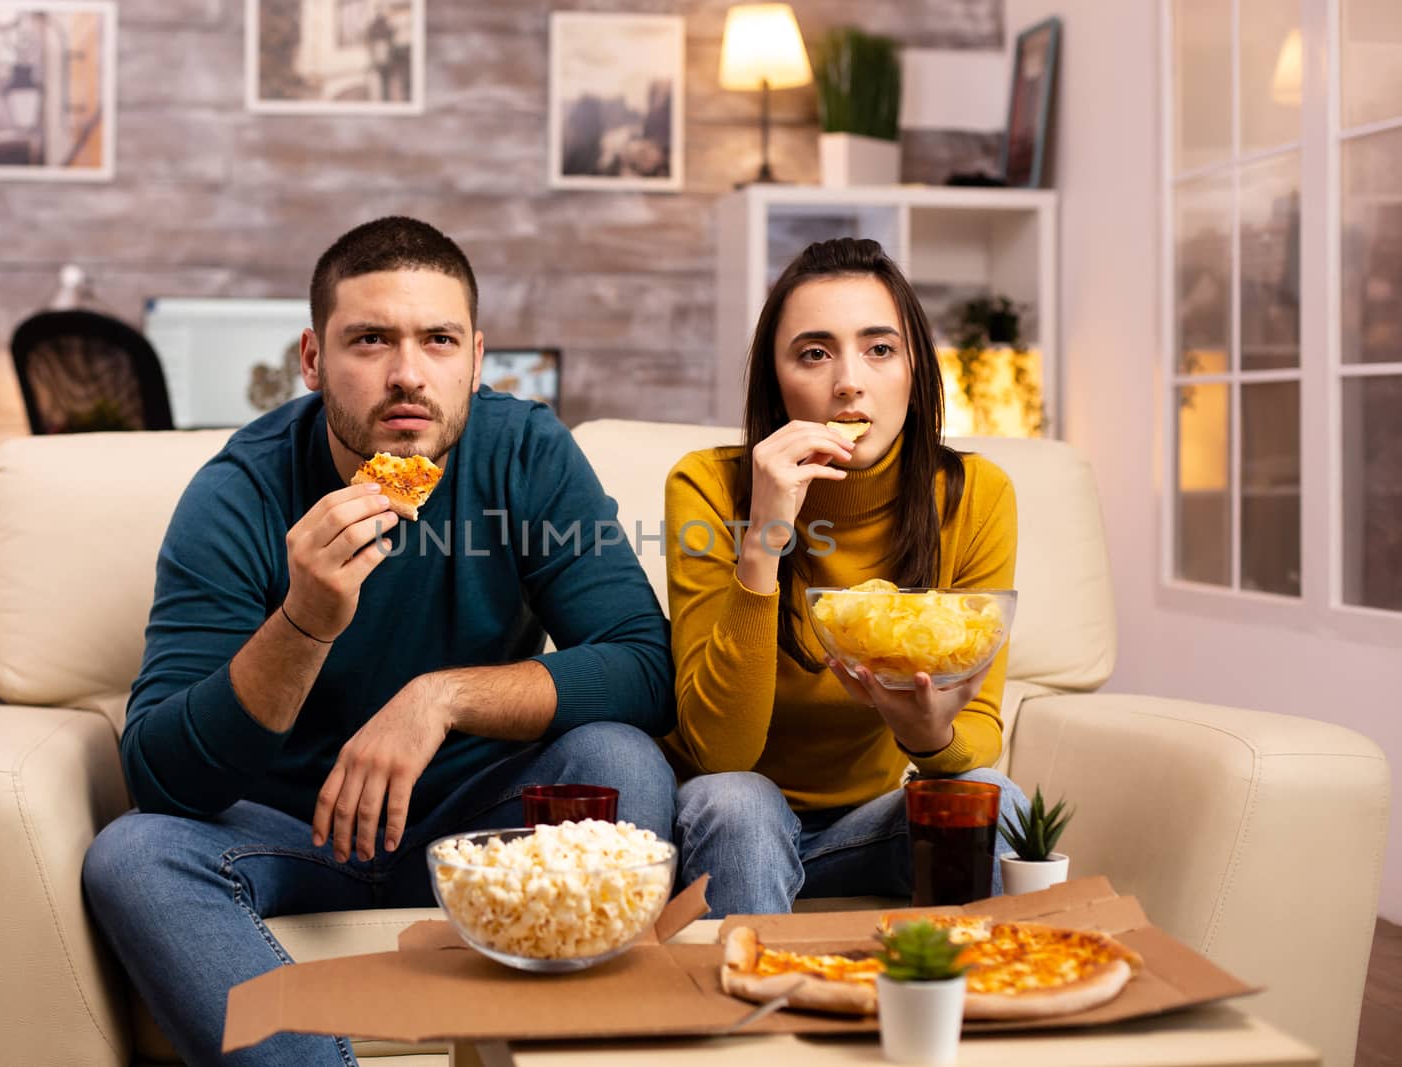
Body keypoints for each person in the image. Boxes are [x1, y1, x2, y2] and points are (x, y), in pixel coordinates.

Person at [82, 216, 678, 1065]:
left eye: (437, 340)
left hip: (475, 826)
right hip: (290, 831)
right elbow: (160, 774)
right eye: (370, 340)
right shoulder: (239, 492)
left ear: (476, 357)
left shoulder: (524, 455)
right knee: (131, 856)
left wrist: (440, 698)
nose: (408, 375)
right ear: (313, 360)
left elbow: (644, 665)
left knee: (621, 762)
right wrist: (304, 622)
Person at [661, 237, 1028, 918]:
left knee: (998, 799)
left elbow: (978, 733)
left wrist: (928, 736)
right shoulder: (708, 484)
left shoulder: (975, 494)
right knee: (738, 799)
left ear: (915, 367)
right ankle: (754, 1014)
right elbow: (720, 751)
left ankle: (978, 1011)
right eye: (814, 352)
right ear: (776, 380)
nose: (849, 381)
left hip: (871, 826)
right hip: (733, 818)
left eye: (879, 348)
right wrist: (766, 532)